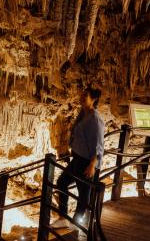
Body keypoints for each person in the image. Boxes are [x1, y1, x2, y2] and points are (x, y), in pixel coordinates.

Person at [53, 87, 104, 229]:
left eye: (85, 96)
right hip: (77, 158)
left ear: (93, 99)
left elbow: (99, 144)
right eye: (81, 95)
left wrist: (92, 164)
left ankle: (76, 224)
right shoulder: (83, 113)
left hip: (87, 162)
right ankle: (63, 217)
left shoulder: (95, 119)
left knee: (83, 194)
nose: (82, 98)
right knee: (61, 182)